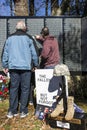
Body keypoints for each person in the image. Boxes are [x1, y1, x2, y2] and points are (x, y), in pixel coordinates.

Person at [1, 21, 39, 118]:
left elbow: (5, 53)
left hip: (13, 67)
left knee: (13, 89)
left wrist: (5, 65)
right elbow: (34, 53)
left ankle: (12, 111)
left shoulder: (9, 38)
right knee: (25, 89)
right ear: (24, 28)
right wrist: (35, 64)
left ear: (16, 28)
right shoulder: (29, 38)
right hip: (26, 68)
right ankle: (23, 111)